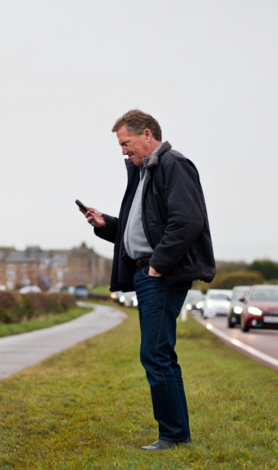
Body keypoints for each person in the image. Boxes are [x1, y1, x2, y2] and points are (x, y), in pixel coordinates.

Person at [83, 110, 215, 450]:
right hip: (149, 272)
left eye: (126, 143)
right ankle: (177, 433)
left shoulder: (173, 164)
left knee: (155, 353)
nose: (123, 151)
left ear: (146, 134)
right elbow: (142, 229)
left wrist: (157, 266)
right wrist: (106, 224)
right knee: (160, 353)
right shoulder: (144, 173)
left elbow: (187, 221)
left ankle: (172, 434)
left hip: (162, 274)